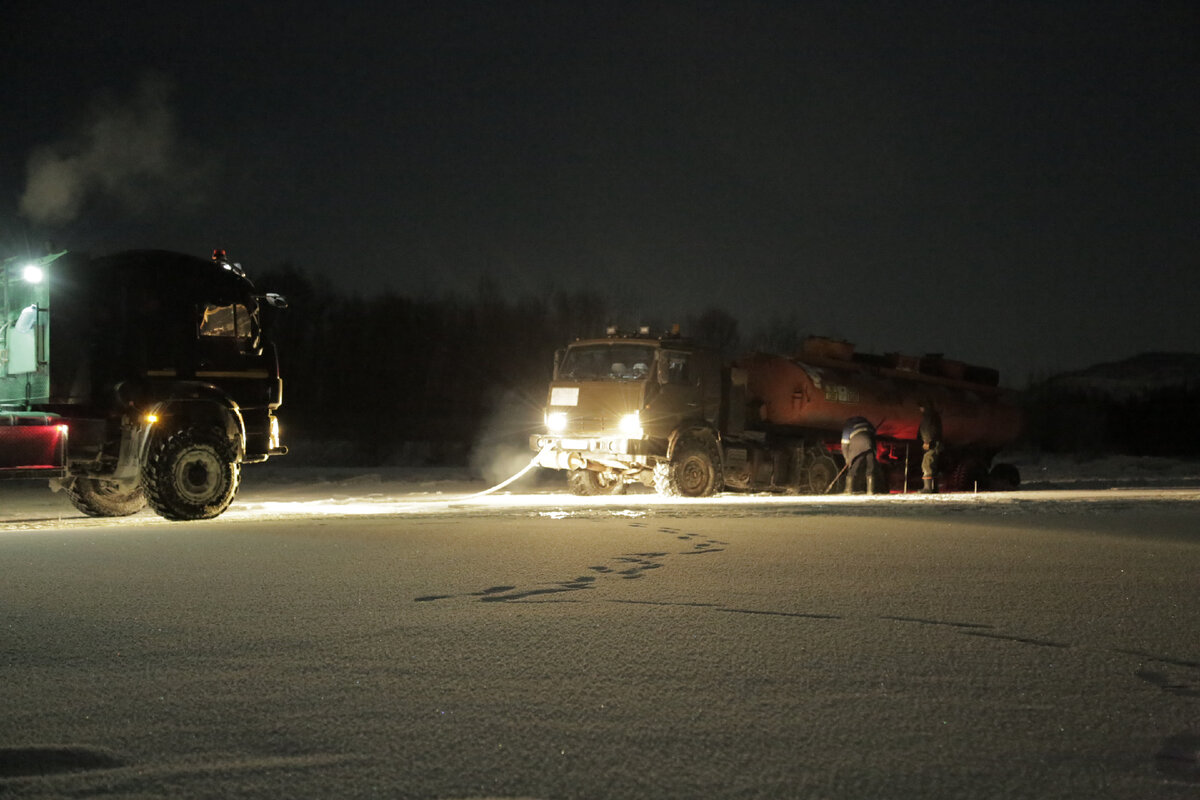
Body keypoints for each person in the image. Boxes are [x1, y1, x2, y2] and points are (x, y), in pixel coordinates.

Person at [840, 416, 877, 495]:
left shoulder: (848, 426)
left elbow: (844, 445)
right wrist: (875, 451)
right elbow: (873, 434)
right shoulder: (867, 423)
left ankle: (848, 490)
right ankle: (870, 491)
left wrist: (847, 459)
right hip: (869, 444)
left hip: (857, 445)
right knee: (870, 467)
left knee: (854, 467)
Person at [918, 401, 943, 493]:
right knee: (932, 465)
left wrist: (928, 442)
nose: (920, 409)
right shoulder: (932, 416)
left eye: (921, 407)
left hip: (932, 445)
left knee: (927, 464)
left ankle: (928, 488)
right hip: (934, 444)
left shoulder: (929, 417)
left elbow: (931, 431)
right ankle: (934, 488)